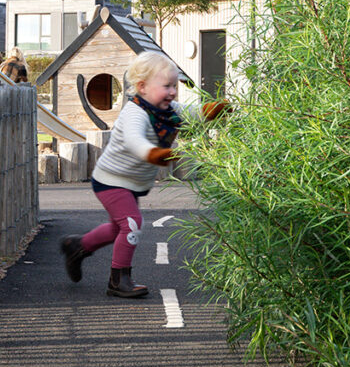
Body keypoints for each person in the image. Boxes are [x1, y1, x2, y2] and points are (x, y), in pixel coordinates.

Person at [60, 52, 227, 298]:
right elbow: (135, 142)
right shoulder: (134, 113)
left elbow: (191, 113)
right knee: (132, 224)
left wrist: (210, 110)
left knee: (119, 228)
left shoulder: (167, 110)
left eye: (174, 86)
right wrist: (155, 155)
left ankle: (77, 246)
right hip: (111, 180)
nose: (172, 92)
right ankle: (118, 279)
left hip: (131, 181)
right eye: (166, 86)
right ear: (143, 87)